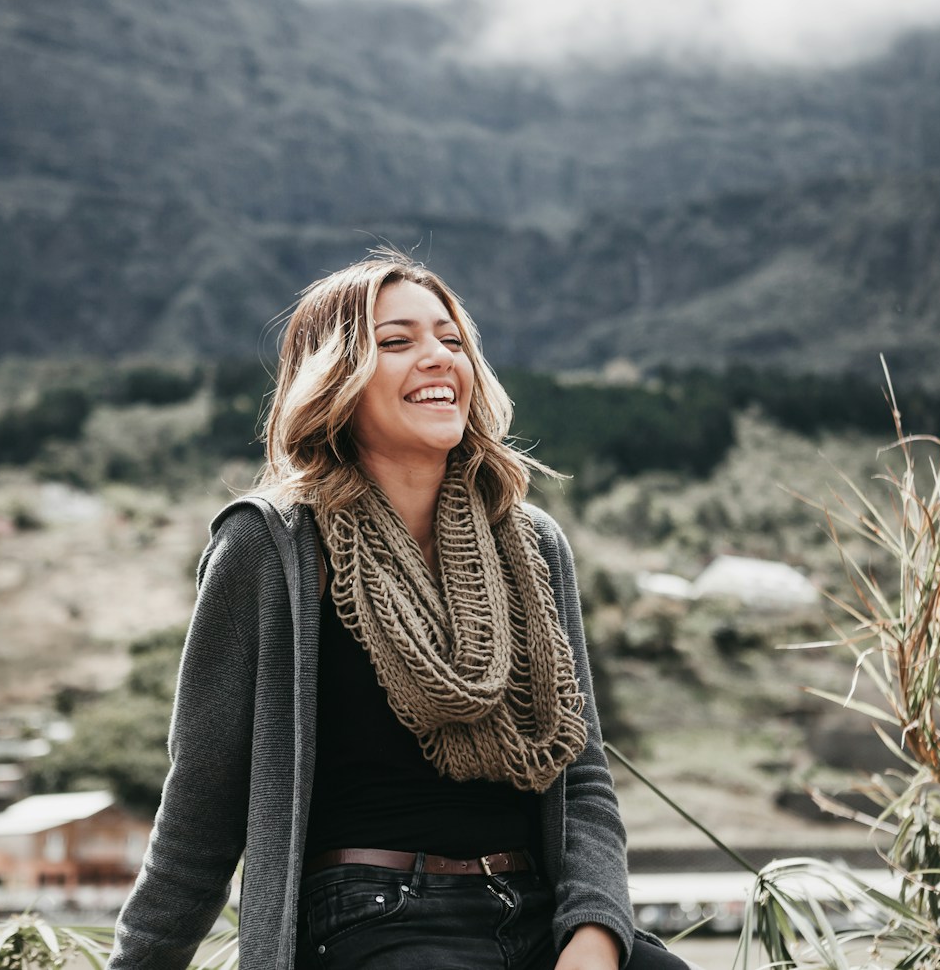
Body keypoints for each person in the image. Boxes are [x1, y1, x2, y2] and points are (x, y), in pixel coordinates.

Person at [108, 248, 691, 969]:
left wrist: (595, 938)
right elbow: (200, 812)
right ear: (336, 378)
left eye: (452, 339)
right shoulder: (270, 547)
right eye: (396, 341)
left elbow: (582, 777)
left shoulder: (534, 545)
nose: (438, 358)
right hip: (368, 919)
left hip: (534, 910)